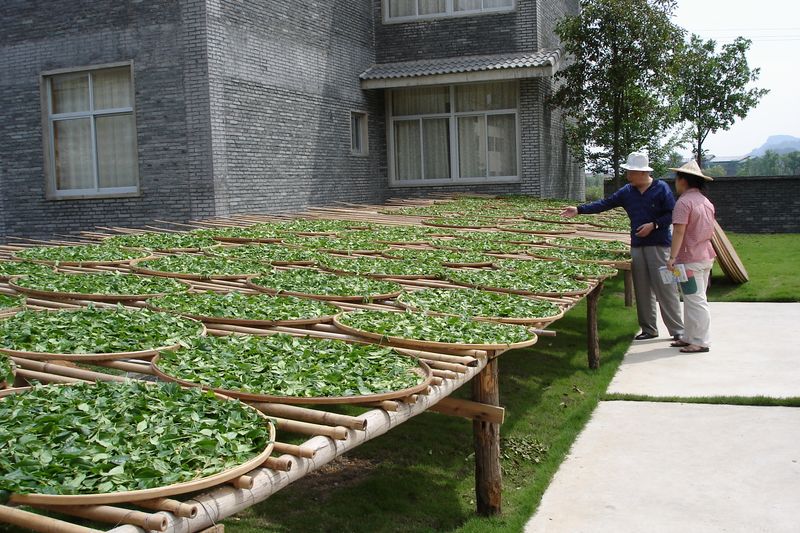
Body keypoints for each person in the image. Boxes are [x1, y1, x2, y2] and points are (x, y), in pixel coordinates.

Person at [561, 151, 684, 341]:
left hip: (660, 247)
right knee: (642, 289)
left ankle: (677, 330)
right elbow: (605, 203)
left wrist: (654, 225)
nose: (627, 175)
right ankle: (649, 329)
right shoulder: (627, 191)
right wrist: (579, 210)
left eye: (631, 172)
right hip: (638, 246)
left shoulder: (661, 189)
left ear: (643, 173)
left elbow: (672, 214)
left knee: (667, 288)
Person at [666, 160, 716, 353]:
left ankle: (701, 341)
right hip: (704, 256)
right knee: (692, 297)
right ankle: (689, 336)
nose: (675, 183)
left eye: (677, 179)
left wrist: (672, 257)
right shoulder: (705, 202)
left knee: (695, 300)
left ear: (683, 180)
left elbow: (679, 231)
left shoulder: (684, 202)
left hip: (689, 260)